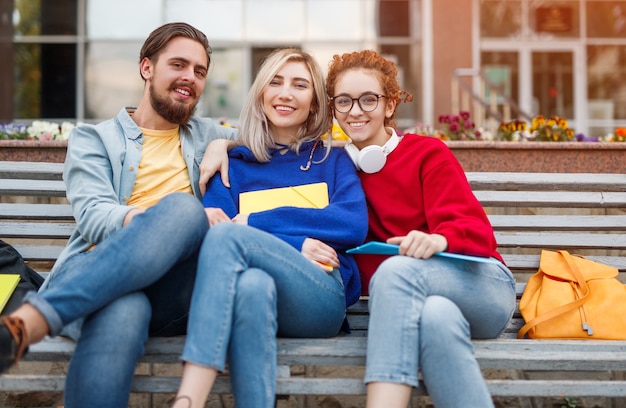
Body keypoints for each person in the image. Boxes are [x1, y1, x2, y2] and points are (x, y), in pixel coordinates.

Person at [0, 22, 237, 407]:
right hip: (97, 277)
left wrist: (226, 141)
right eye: (178, 64)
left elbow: (275, 138)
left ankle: (32, 321)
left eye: (199, 71)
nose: (189, 78)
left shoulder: (208, 135)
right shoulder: (94, 139)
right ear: (146, 67)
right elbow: (94, 216)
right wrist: (154, 221)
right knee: (125, 305)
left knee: (184, 209)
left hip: (176, 293)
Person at [170, 48, 368, 408]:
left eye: (300, 85)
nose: (285, 93)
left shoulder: (331, 159)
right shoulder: (234, 165)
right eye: (275, 82)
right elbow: (214, 232)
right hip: (252, 291)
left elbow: (351, 224)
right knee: (252, 285)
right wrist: (295, 242)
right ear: (261, 94)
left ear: (314, 104)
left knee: (234, 234)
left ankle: (189, 398)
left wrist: (257, 221)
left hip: (319, 293)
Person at [325, 50, 516, 408]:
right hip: (424, 302)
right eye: (344, 101)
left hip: (482, 284)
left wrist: (437, 239)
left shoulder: (427, 153)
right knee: (436, 319)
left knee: (396, 271)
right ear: (333, 108)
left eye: (369, 99)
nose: (355, 110)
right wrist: (224, 144)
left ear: (390, 105)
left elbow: (478, 232)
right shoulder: (338, 170)